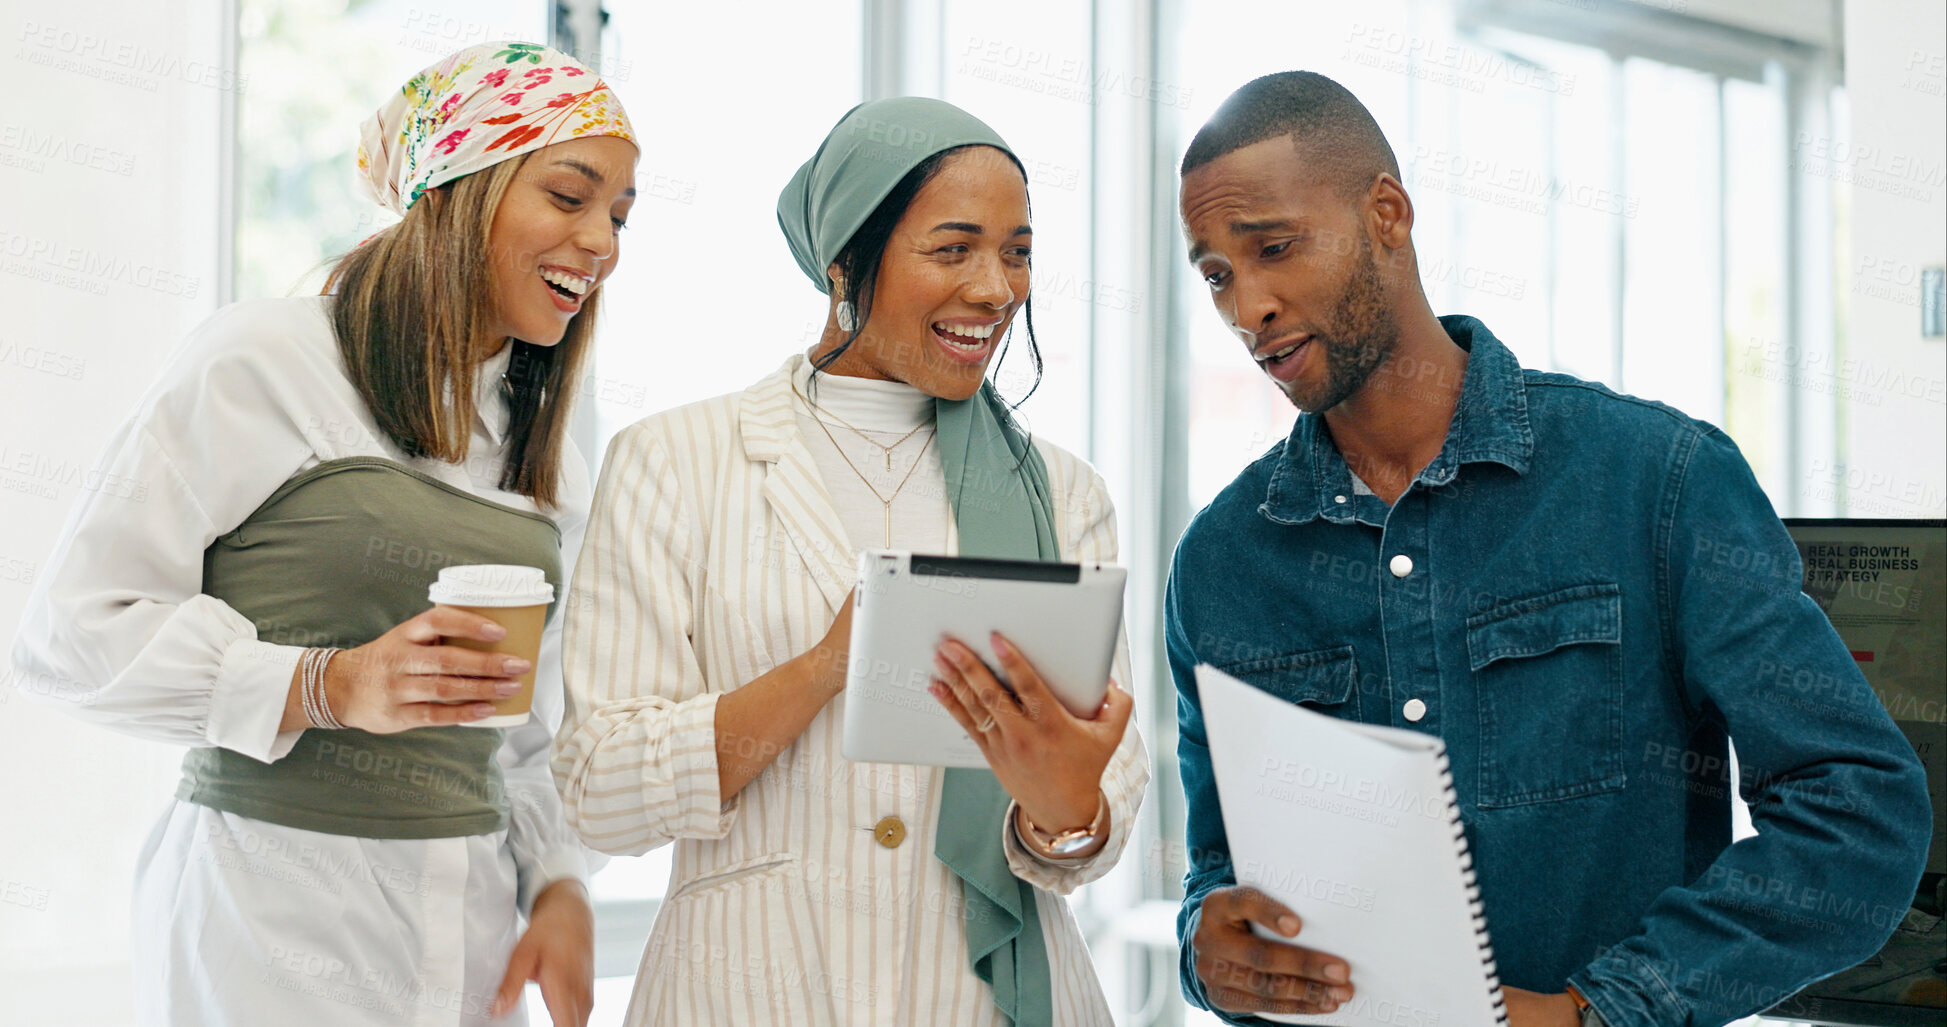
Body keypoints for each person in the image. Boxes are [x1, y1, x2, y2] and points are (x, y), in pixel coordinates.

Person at [1165, 71, 1931, 1027]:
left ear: (1387, 215)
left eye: (1272, 248)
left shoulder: (1655, 482)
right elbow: (1218, 872)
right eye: (1215, 275)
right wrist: (1210, 948)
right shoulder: (1219, 566)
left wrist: (1600, 1009)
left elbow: (1858, 812)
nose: (1247, 308)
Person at [9, 41, 637, 1026]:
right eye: (570, 195)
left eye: (619, 215)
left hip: (469, 945)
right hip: (267, 925)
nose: (601, 240)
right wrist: (325, 685)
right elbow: (72, 631)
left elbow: (527, 736)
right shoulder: (266, 360)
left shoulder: (550, 464)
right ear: (459, 189)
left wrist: (559, 883)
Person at [551, 96, 1148, 1026]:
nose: (996, 288)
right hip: (746, 990)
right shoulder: (675, 460)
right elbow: (599, 787)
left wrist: (1064, 808)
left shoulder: (1061, 493)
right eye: (953, 250)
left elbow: (1096, 816)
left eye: (1017, 251)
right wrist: (826, 668)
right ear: (845, 265)